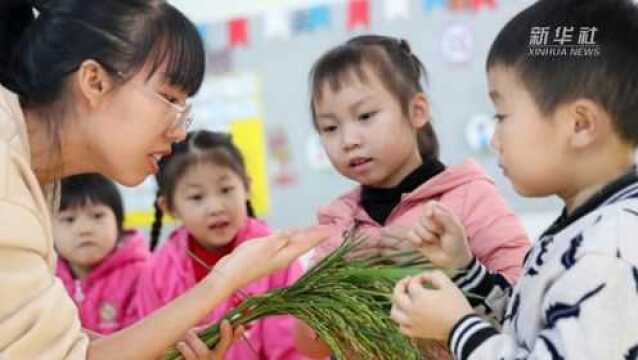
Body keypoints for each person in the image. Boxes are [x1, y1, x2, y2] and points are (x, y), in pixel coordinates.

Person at [0, 1, 329, 358]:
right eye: (170, 98)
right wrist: (224, 281)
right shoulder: (7, 177)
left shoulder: (30, 171)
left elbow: (54, 344)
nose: (177, 131)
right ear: (94, 81)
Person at [390, 0, 638, 359]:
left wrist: (457, 328)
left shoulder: (610, 249)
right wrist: (465, 270)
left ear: (580, 124)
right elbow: (529, 331)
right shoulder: (587, 227)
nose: (494, 139)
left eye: (502, 115)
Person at [295, 35, 530, 358]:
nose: (348, 140)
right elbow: (309, 346)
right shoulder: (336, 223)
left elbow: (524, 307)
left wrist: (448, 265)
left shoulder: (469, 195)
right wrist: (341, 277)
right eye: (330, 128)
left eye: (365, 116)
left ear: (416, 111)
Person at [138, 130, 304, 359]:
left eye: (226, 190)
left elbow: (293, 348)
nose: (216, 207)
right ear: (169, 207)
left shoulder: (276, 257)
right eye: (197, 197)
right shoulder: (158, 272)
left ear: (246, 187)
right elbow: (149, 348)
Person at [54, 173, 149, 335]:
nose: (84, 229)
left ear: (119, 223)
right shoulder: (45, 277)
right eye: (69, 219)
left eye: (97, 216)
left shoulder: (142, 274)